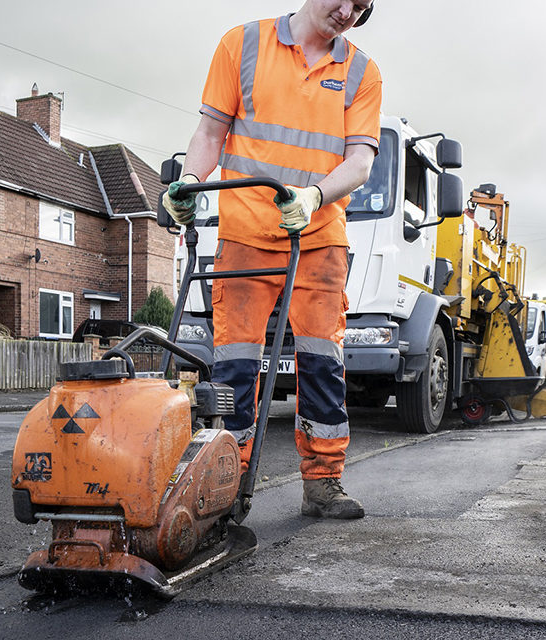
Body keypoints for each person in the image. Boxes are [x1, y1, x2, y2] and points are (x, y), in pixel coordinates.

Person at [162, 0, 381, 519]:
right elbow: (210, 134)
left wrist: (315, 196)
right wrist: (191, 181)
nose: (349, 12)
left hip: (319, 236)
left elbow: (361, 160)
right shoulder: (242, 45)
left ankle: (323, 484)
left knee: (323, 363)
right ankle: (224, 486)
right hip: (245, 233)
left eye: (363, 7)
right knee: (234, 365)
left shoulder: (361, 72)